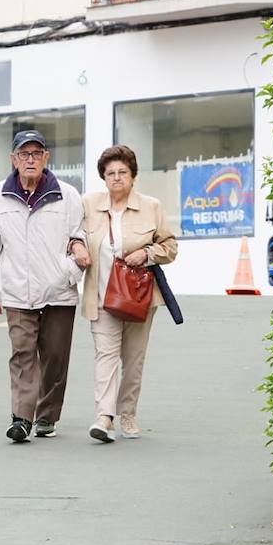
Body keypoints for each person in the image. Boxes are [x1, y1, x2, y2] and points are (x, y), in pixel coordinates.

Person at [0, 130, 91, 443]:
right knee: (22, 354)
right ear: (13, 159)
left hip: (58, 292)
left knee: (55, 357)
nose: (30, 159)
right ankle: (21, 418)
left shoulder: (68, 195)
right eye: (24, 154)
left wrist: (67, 273)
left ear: (46, 158)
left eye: (36, 153)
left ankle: (47, 415)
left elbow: (79, 239)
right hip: (17, 293)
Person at [80, 145, 178, 443]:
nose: (117, 178)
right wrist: (77, 247)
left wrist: (147, 253)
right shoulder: (88, 205)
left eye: (123, 172)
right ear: (103, 178)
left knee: (133, 360)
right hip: (101, 297)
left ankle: (128, 413)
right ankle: (104, 417)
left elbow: (170, 247)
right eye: (110, 173)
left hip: (139, 299)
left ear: (133, 176)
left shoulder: (152, 206)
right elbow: (72, 236)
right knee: (105, 356)